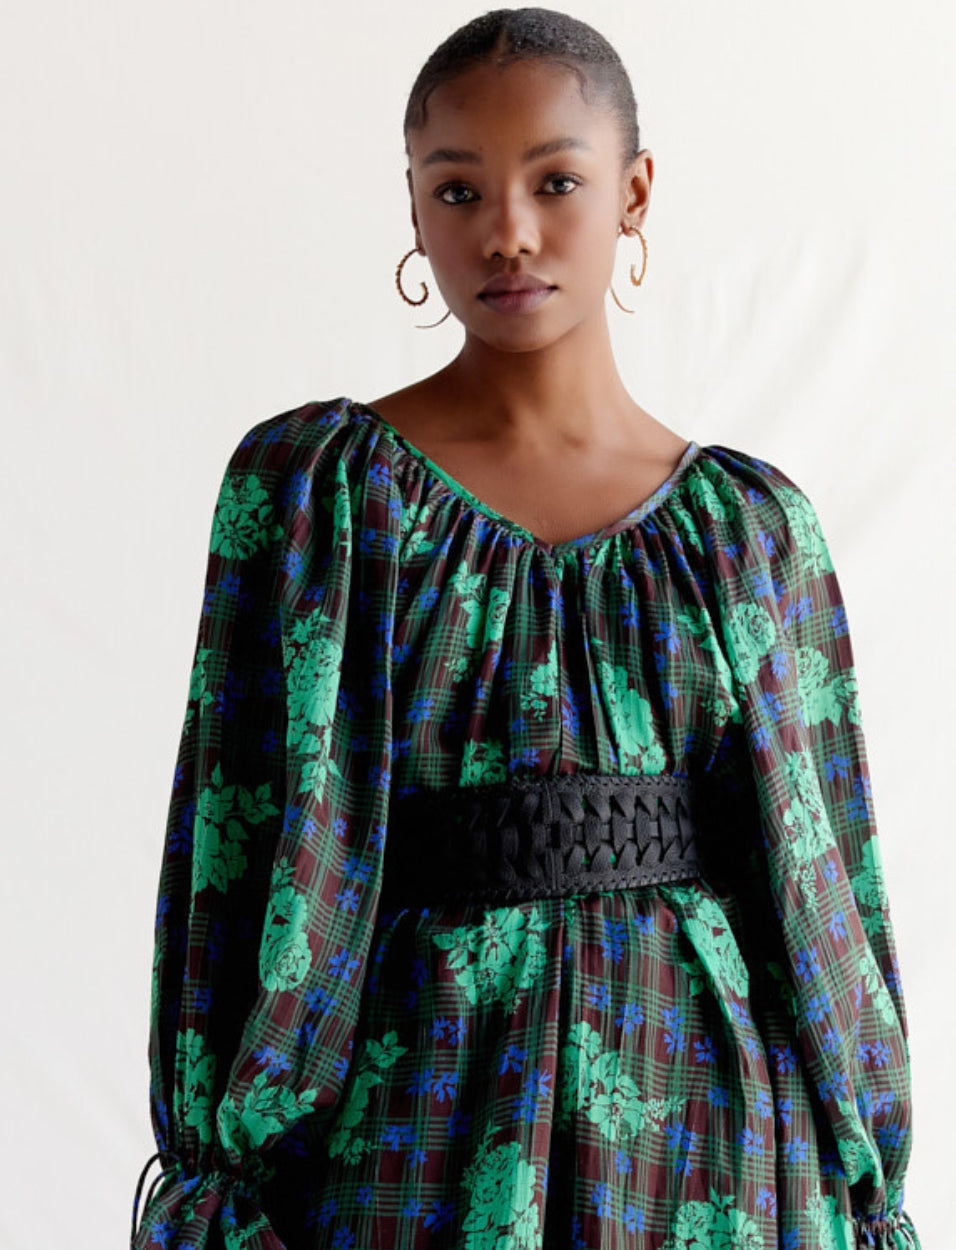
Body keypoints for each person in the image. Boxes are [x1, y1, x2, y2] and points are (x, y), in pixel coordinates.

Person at [130, 8, 921, 1249]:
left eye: (556, 180)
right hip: (412, 1111)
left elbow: (823, 881)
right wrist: (221, 1166)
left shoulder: (747, 527)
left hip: (702, 1123)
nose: (506, 231)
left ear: (633, 192)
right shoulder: (317, 492)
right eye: (457, 190)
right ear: (410, 209)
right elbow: (238, 841)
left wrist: (863, 1168)